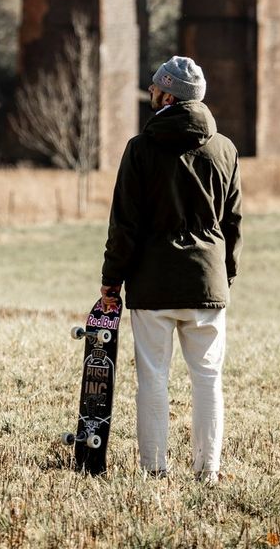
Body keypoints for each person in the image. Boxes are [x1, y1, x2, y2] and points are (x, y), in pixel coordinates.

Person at [100, 55, 242, 483]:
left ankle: (155, 469)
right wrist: (225, 274)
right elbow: (232, 223)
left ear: (168, 95)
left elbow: (124, 223)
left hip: (153, 284)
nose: (149, 92)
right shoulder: (225, 149)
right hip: (207, 282)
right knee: (207, 379)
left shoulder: (141, 149)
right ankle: (208, 470)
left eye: (155, 88)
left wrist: (112, 281)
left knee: (154, 380)